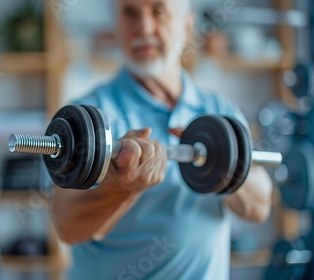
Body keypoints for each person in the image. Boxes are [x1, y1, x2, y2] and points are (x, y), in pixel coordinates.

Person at [50, 1, 273, 279]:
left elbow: (260, 207)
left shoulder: (220, 111)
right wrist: (121, 187)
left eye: (158, 11)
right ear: (116, 27)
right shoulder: (91, 114)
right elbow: (67, 225)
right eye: (130, 13)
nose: (143, 27)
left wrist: (228, 166)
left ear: (187, 26)